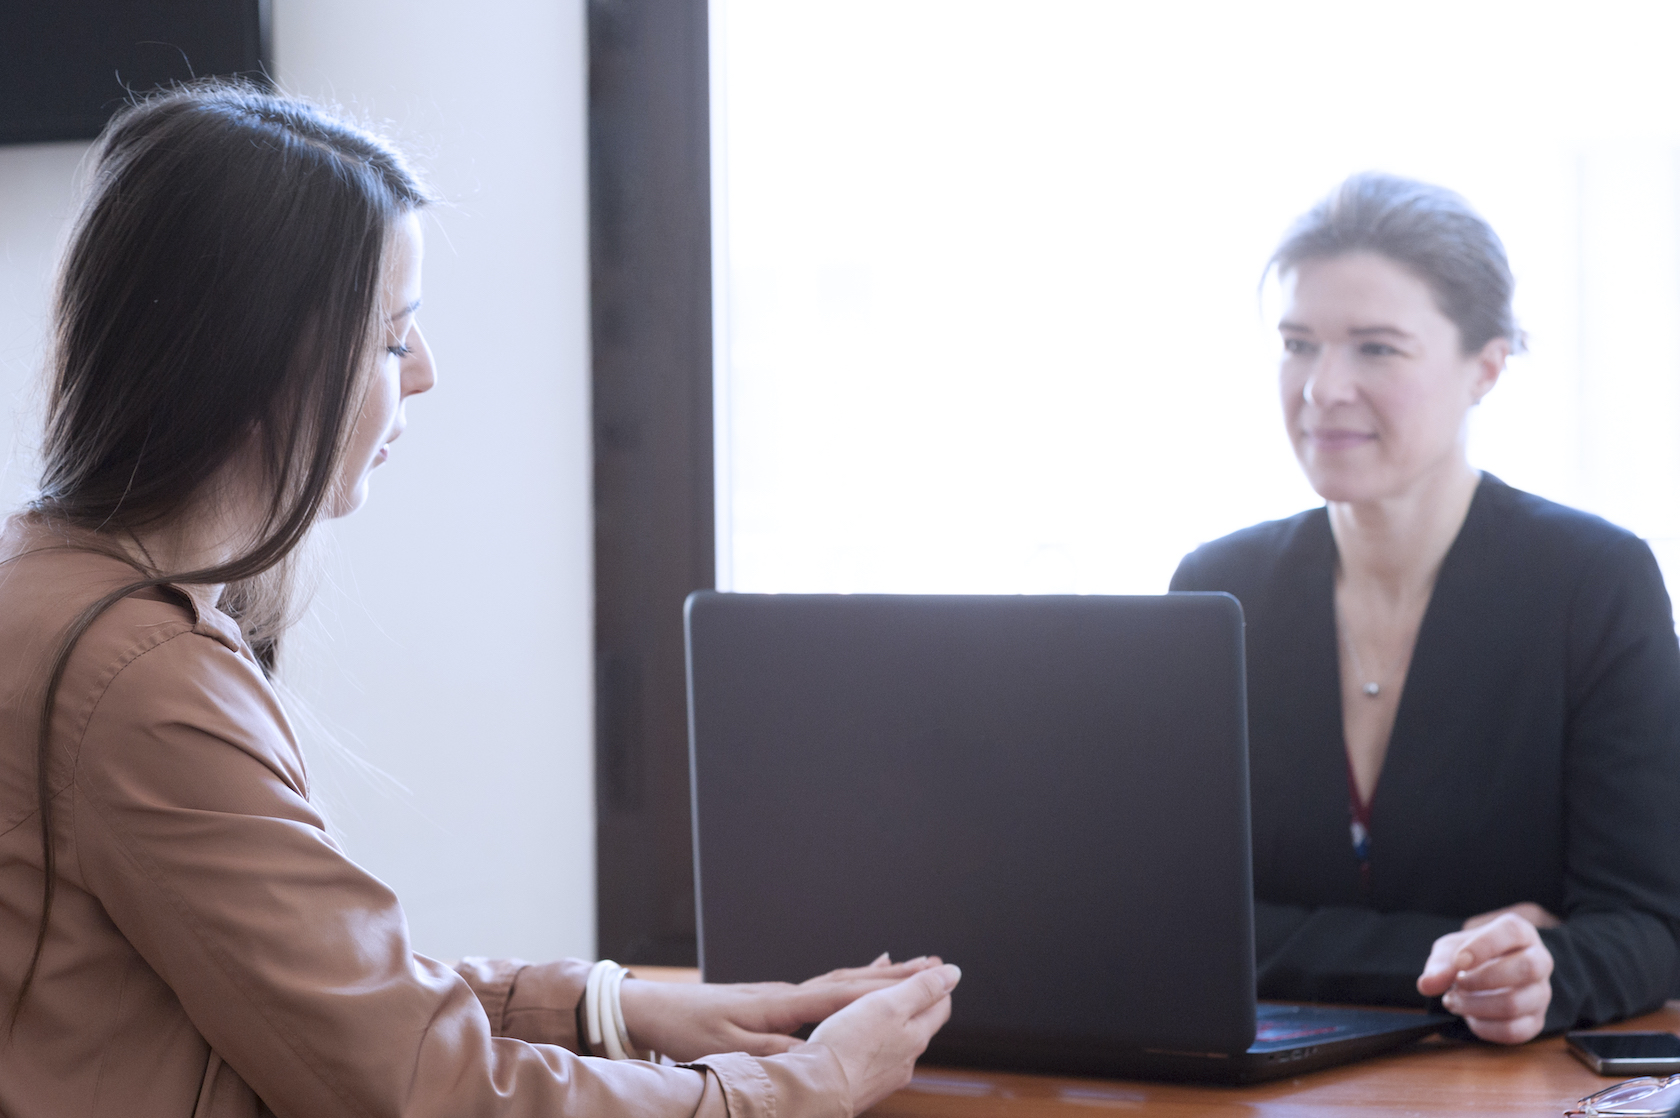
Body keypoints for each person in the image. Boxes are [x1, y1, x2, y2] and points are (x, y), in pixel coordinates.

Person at [0, 82, 959, 1116]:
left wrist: (616, 1005)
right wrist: (812, 1079)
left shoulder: (51, 602)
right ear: (261, 359)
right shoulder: (141, 681)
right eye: (390, 335)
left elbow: (317, 995)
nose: (423, 374)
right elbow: (429, 1090)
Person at [1170, 172, 1680, 1045]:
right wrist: (1447, 956)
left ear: (1486, 366)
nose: (1322, 387)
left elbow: (1649, 927)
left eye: (1376, 348)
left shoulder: (1594, 582)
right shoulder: (1221, 589)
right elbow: (1180, 921)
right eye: (1298, 343)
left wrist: (1540, 976)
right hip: (1263, 1094)